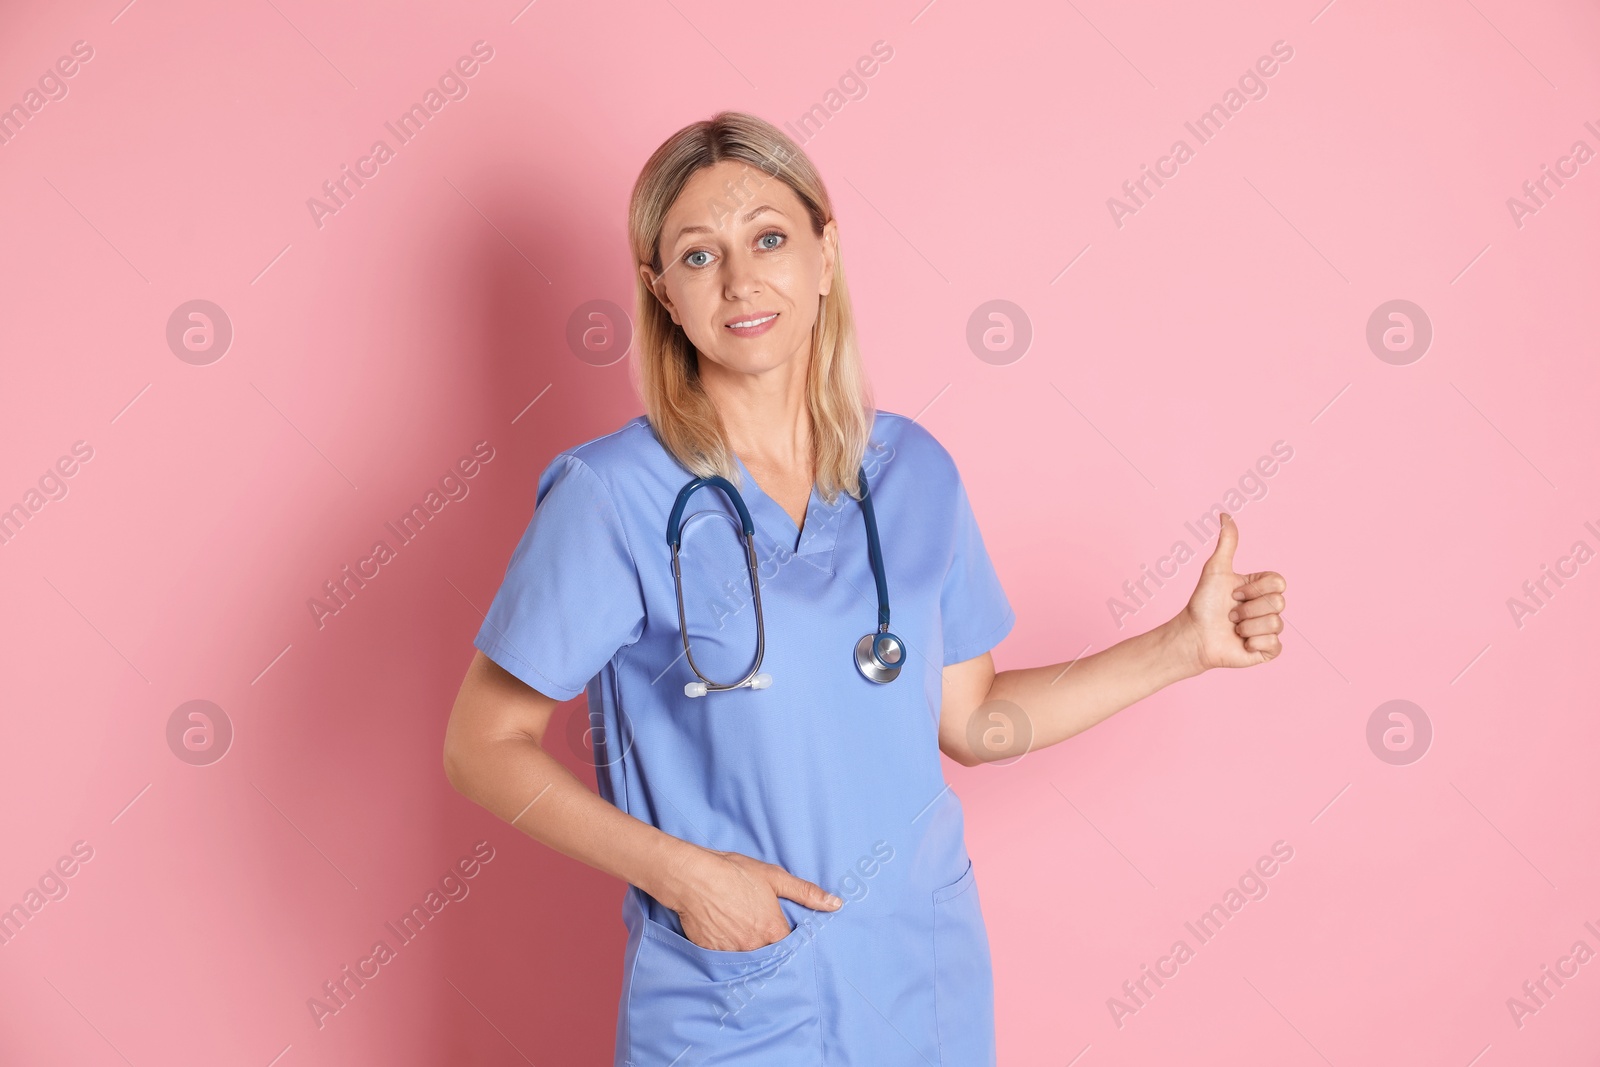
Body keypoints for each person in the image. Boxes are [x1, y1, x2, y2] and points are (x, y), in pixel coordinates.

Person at [443, 110, 1287, 1066]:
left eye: (769, 238)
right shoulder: (614, 498)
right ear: (661, 292)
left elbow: (972, 722)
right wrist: (685, 876)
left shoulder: (913, 471)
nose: (741, 279)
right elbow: (482, 746)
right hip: (732, 994)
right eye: (696, 255)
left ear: (824, 256)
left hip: (917, 980)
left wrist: (1180, 645)